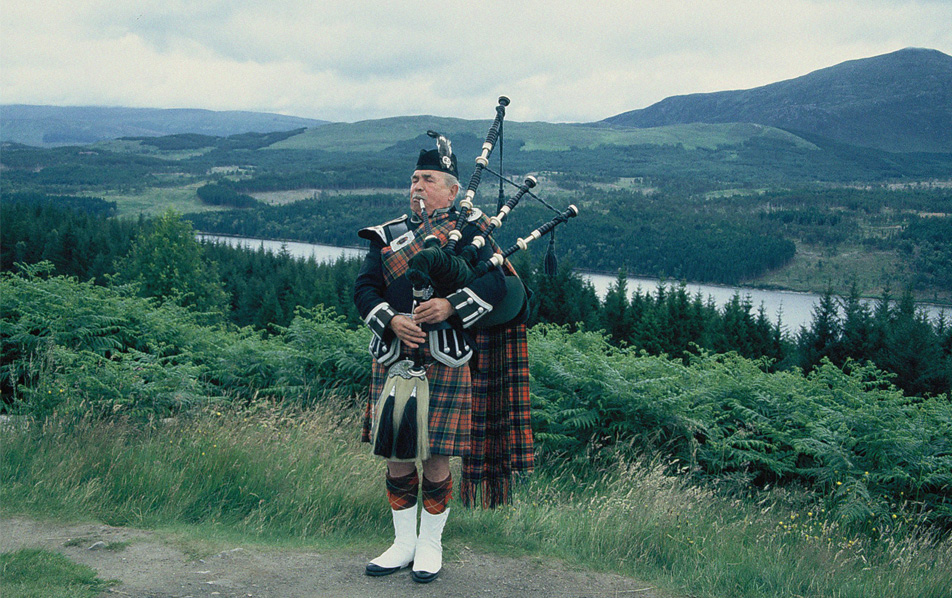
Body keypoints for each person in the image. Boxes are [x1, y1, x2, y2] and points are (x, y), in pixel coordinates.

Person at [353, 146, 533, 583]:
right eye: (414, 179)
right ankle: (402, 544)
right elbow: (364, 289)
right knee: (396, 454)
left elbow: (498, 284)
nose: (417, 186)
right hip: (394, 358)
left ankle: (430, 546)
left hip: (447, 356)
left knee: (436, 456)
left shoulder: (473, 234)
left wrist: (450, 307)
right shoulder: (387, 234)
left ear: (452, 193)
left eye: (427, 180)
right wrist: (391, 320)